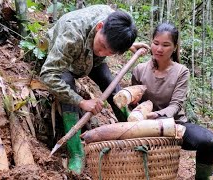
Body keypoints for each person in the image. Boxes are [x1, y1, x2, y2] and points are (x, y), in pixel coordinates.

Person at [39, 5, 149, 174]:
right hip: (65, 62)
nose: (102, 51)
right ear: (99, 27)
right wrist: (81, 101)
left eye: (110, 52)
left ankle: (131, 131)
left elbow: (114, 36)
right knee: (67, 82)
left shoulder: (113, 21)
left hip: (89, 61)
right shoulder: (71, 33)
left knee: (109, 82)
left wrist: (128, 45)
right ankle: (76, 153)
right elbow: (47, 75)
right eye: (102, 45)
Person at [130, 23, 213, 180]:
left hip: (175, 124)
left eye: (165, 45)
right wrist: (133, 103)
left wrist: (158, 115)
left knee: (210, 141)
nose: (159, 49)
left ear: (175, 47)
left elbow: (176, 105)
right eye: (156, 43)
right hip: (144, 127)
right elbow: (133, 104)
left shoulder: (181, 72)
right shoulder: (139, 70)